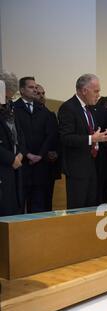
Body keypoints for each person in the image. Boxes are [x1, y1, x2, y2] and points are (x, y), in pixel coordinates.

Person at [58, 74, 107, 209]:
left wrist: (105, 138)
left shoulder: (89, 109)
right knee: (77, 210)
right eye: (96, 91)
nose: (98, 95)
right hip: (76, 169)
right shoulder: (68, 107)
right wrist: (92, 139)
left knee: (90, 209)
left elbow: (94, 133)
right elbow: (65, 137)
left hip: (92, 166)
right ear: (84, 91)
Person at [14, 76, 57, 213]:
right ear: (21, 90)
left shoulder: (43, 110)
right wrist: (27, 154)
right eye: (31, 87)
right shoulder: (13, 108)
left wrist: (40, 155)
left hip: (40, 165)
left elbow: (49, 135)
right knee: (20, 206)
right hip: (21, 164)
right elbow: (15, 136)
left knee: (38, 206)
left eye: (35, 87)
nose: (35, 90)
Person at [0, 72, 25, 216]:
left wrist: (21, 153)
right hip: (4, 165)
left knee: (14, 210)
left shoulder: (10, 108)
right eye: (7, 96)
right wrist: (11, 158)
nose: (8, 100)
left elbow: (20, 134)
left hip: (14, 167)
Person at [34, 83, 60, 211]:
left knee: (48, 201)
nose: (41, 96)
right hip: (34, 164)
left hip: (49, 166)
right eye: (38, 93)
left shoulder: (50, 114)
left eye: (43, 93)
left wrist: (56, 152)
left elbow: (56, 137)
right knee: (36, 203)